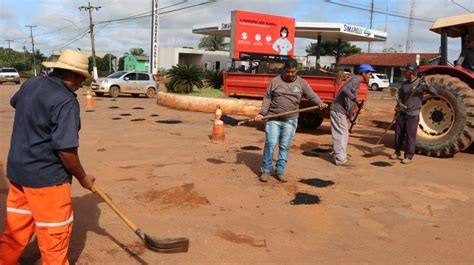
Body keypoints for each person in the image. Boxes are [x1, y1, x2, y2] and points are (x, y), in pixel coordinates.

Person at [0, 49, 96, 265]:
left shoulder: (32, 84)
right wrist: (82, 177)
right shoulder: (66, 101)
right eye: (81, 79)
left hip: (18, 173)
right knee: (55, 237)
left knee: (15, 230)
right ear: (71, 75)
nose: (81, 85)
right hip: (47, 180)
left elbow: (15, 102)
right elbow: (66, 149)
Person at [255, 58, 328, 182]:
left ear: (296, 71)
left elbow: (311, 95)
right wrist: (262, 113)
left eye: (292, 72)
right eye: (288, 72)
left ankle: (280, 171)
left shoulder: (301, 83)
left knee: (285, 146)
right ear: (284, 70)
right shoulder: (275, 81)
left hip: (290, 120)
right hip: (273, 118)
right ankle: (266, 170)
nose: (290, 74)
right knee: (270, 144)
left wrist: (320, 103)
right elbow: (267, 98)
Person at [390, 62, 437, 164]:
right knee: (398, 134)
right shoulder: (404, 84)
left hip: (413, 114)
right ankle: (397, 151)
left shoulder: (420, 84)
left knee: (410, 135)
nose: (404, 73)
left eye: (405, 71)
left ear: (411, 72)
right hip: (402, 112)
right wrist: (400, 104)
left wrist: (427, 85)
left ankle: (409, 156)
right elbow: (400, 97)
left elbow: (435, 92)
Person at [330, 64, 375, 166]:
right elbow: (346, 90)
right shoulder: (356, 80)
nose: (370, 76)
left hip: (340, 111)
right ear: (363, 73)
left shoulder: (355, 80)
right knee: (341, 134)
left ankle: (341, 156)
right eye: (369, 73)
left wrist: (350, 115)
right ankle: (340, 159)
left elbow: (347, 96)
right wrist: (355, 100)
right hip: (338, 110)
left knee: (343, 134)